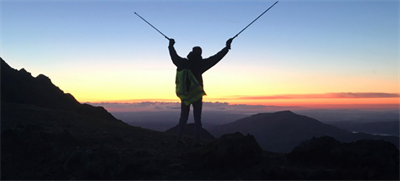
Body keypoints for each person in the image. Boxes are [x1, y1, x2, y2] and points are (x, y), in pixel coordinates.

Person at [168, 38, 233, 146]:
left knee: (183, 117)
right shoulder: (201, 64)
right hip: (197, 95)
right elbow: (216, 58)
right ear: (200, 53)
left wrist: (171, 45)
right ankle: (197, 141)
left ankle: (179, 139)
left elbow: (173, 56)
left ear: (191, 52)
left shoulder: (182, 63)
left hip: (185, 95)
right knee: (197, 118)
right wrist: (227, 47)